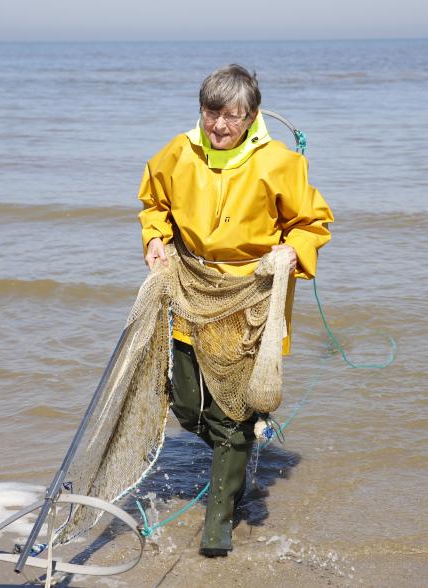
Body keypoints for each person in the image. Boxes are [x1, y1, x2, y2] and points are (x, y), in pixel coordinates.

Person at [137, 64, 333, 557]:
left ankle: (219, 519)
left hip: (251, 296)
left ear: (251, 116)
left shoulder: (280, 162)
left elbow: (313, 222)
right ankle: (239, 444)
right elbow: (152, 203)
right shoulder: (178, 151)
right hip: (190, 287)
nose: (219, 126)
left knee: (232, 411)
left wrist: (293, 250)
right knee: (185, 403)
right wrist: (156, 238)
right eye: (210, 113)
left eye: (231, 115)